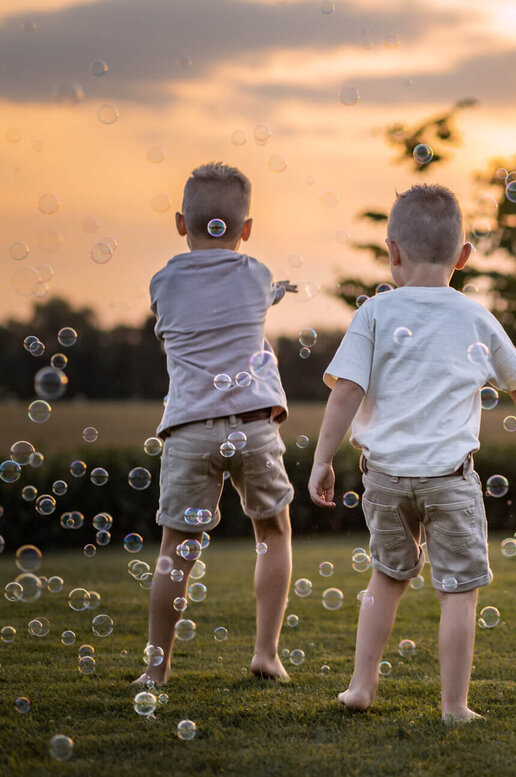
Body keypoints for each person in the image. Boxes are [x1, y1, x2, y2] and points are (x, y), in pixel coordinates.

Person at [308, 183, 516, 721]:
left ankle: (361, 687)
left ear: (392, 251)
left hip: (385, 478)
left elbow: (345, 390)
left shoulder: (374, 313)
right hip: (451, 479)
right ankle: (454, 706)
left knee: (386, 577)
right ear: (463, 258)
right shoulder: (476, 317)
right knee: (458, 592)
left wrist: (322, 460)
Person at [140, 162, 297, 686]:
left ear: (181, 222)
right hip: (253, 426)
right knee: (272, 532)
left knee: (174, 551)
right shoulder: (256, 274)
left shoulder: (162, 281)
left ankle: (156, 671)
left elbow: (180, 327)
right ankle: (266, 653)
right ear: (245, 229)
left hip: (189, 431)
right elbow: (246, 302)